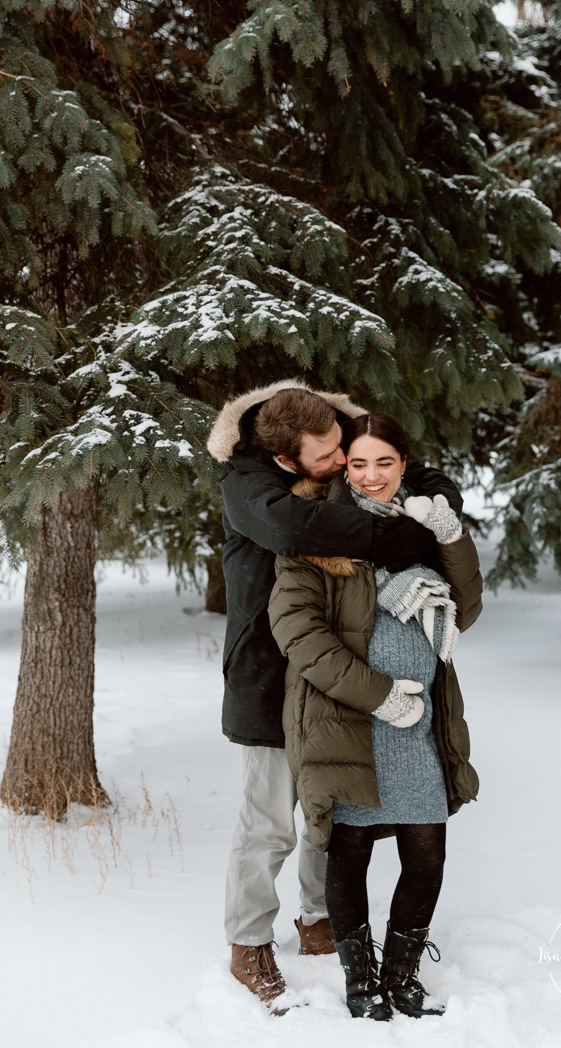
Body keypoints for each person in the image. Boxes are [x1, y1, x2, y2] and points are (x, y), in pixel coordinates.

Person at [206, 382, 464, 1011]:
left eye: (340, 446)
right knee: (270, 821)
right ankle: (248, 944)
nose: (342, 461)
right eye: (327, 457)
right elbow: (293, 525)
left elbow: (415, 467)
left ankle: (318, 920)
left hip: (335, 682)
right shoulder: (248, 483)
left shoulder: (334, 435)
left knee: (332, 810)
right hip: (270, 679)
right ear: (288, 459)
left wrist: (436, 506)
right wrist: (390, 538)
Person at [268, 413, 482, 1021]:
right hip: (348, 721)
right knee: (351, 852)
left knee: (426, 852)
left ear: (404, 464)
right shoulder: (313, 532)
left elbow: (464, 610)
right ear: (344, 467)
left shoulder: (421, 529)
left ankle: (402, 975)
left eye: (383, 463)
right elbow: (299, 634)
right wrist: (379, 694)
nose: (370, 476)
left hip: (419, 723)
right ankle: (360, 980)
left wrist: (451, 534)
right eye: (358, 463)